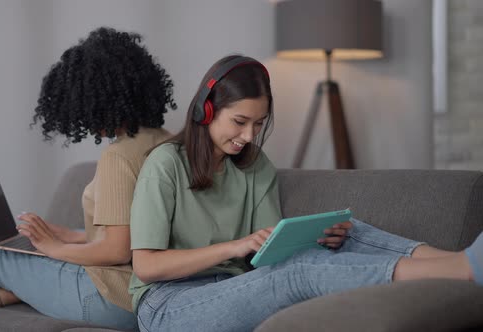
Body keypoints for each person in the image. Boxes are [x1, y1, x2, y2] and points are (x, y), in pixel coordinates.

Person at [127, 55, 483, 332]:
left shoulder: (254, 165)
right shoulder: (166, 164)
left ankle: (457, 260)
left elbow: (266, 256)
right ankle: (465, 269)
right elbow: (146, 266)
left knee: (346, 230)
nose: (249, 136)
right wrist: (234, 246)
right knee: (299, 272)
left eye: (259, 123)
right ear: (207, 109)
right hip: (168, 306)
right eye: (240, 121)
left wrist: (313, 239)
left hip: (236, 288)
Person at [0, 27, 176, 331]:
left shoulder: (118, 157)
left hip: (112, 298)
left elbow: (117, 250)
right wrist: (68, 235)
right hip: (150, 295)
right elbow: (142, 231)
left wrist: (54, 248)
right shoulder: (168, 142)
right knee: (31, 252)